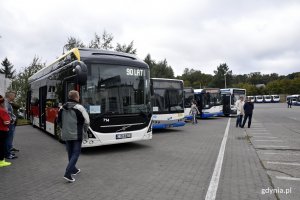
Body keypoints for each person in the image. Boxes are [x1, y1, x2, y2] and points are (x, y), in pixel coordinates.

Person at [57, 90, 90, 183]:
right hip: (77, 134)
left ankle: (74, 169)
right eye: (78, 96)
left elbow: (58, 121)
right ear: (76, 97)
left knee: (70, 152)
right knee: (76, 153)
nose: (79, 98)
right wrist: (84, 129)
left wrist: (64, 129)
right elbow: (87, 121)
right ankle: (68, 173)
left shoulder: (62, 108)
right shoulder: (80, 107)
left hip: (66, 134)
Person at [4, 91, 18, 159]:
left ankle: (8, 152)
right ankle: (7, 154)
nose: (14, 97)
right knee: (8, 139)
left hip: (9, 123)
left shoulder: (8, 102)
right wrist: (11, 120)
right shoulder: (6, 103)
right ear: (10, 96)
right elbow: (6, 113)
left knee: (8, 139)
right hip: (9, 124)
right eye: (14, 96)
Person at [0, 95, 11, 167]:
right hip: (2, 130)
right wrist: (10, 121)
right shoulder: (2, 110)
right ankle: (1, 161)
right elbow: (6, 122)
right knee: (2, 146)